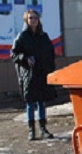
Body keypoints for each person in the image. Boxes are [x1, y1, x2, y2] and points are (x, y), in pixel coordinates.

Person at [11, 10, 56, 141]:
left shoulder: (43, 36)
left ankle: (43, 129)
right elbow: (14, 54)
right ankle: (32, 130)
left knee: (42, 102)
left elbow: (50, 53)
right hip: (29, 74)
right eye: (30, 18)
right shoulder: (22, 36)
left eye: (35, 17)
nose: (33, 20)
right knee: (30, 102)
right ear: (26, 20)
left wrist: (50, 69)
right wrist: (25, 58)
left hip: (42, 73)